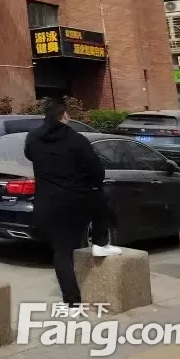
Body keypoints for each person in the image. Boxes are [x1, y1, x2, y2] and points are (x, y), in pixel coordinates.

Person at [24, 97, 121, 306]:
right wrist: (90, 183)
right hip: (75, 202)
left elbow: (29, 155)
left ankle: (72, 301)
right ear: (64, 115)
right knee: (101, 198)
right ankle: (100, 242)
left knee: (61, 252)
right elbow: (96, 171)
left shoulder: (33, 138)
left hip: (47, 204)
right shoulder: (76, 139)